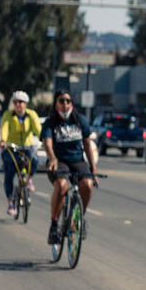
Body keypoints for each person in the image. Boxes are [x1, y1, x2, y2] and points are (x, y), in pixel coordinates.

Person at [42, 91, 99, 245]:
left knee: (87, 184)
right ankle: (54, 225)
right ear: (56, 104)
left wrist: (93, 169)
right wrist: (52, 158)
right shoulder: (50, 123)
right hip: (58, 161)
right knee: (62, 185)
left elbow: (87, 144)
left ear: (72, 103)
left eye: (68, 101)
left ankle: (79, 217)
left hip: (77, 160)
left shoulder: (80, 120)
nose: (65, 104)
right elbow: (47, 143)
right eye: (61, 101)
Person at [0, 90, 42, 216]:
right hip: (12, 147)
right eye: (16, 102)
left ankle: (28, 179)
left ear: (26, 104)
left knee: (34, 160)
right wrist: (3, 140)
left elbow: (38, 129)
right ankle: (11, 203)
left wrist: (45, 138)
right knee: (9, 173)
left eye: (21, 102)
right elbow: (4, 128)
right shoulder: (8, 114)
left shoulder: (31, 114)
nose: (18, 105)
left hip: (27, 146)